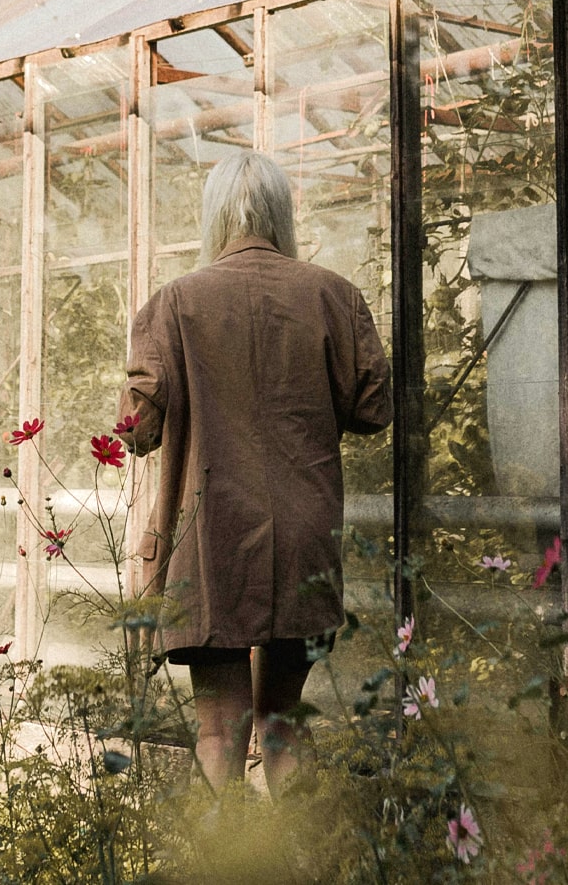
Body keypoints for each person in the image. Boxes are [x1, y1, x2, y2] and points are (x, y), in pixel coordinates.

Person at [115, 151, 392, 797]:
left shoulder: (176, 303)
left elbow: (135, 432)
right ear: (281, 213)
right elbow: (373, 410)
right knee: (284, 723)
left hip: (211, 543)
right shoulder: (334, 295)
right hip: (304, 539)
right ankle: (306, 863)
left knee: (218, 734)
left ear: (214, 216)